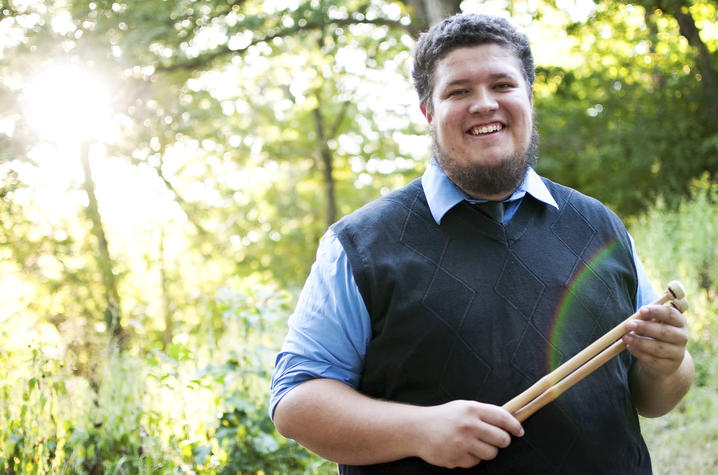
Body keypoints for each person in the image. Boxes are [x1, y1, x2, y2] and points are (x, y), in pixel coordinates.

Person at [270, 13, 695, 474]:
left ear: (529, 97)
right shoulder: (359, 245)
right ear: (428, 112)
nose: (484, 104)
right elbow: (296, 401)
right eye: (459, 91)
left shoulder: (600, 225)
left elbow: (654, 398)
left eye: (502, 85)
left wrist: (666, 364)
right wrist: (419, 429)